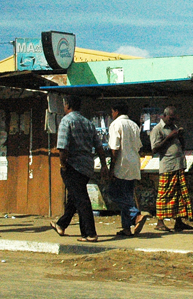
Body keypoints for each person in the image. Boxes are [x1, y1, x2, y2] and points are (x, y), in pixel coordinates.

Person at [50, 95, 111, 242]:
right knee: (74, 195)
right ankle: (61, 224)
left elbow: (62, 147)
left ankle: (90, 233)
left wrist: (63, 164)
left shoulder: (66, 121)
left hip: (73, 165)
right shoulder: (88, 123)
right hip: (87, 165)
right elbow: (99, 147)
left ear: (68, 105)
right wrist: (103, 165)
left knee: (81, 199)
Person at [149, 106, 193, 233]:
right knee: (164, 194)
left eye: (174, 119)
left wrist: (180, 136)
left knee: (179, 195)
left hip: (178, 165)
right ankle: (160, 221)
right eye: (170, 118)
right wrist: (169, 137)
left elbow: (181, 145)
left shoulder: (173, 128)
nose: (172, 121)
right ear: (164, 116)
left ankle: (179, 221)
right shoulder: (157, 129)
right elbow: (155, 149)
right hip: (167, 166)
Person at [108, 101, 147, 237]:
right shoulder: (133, 125)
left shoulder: (116, 125)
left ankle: (135, 215)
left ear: (116, 111)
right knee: (127, 196)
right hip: (134, 164)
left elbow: (114, 148)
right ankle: (126, 228)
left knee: (113, 193)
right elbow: (139, 146)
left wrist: (111, 168)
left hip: (121, 164)